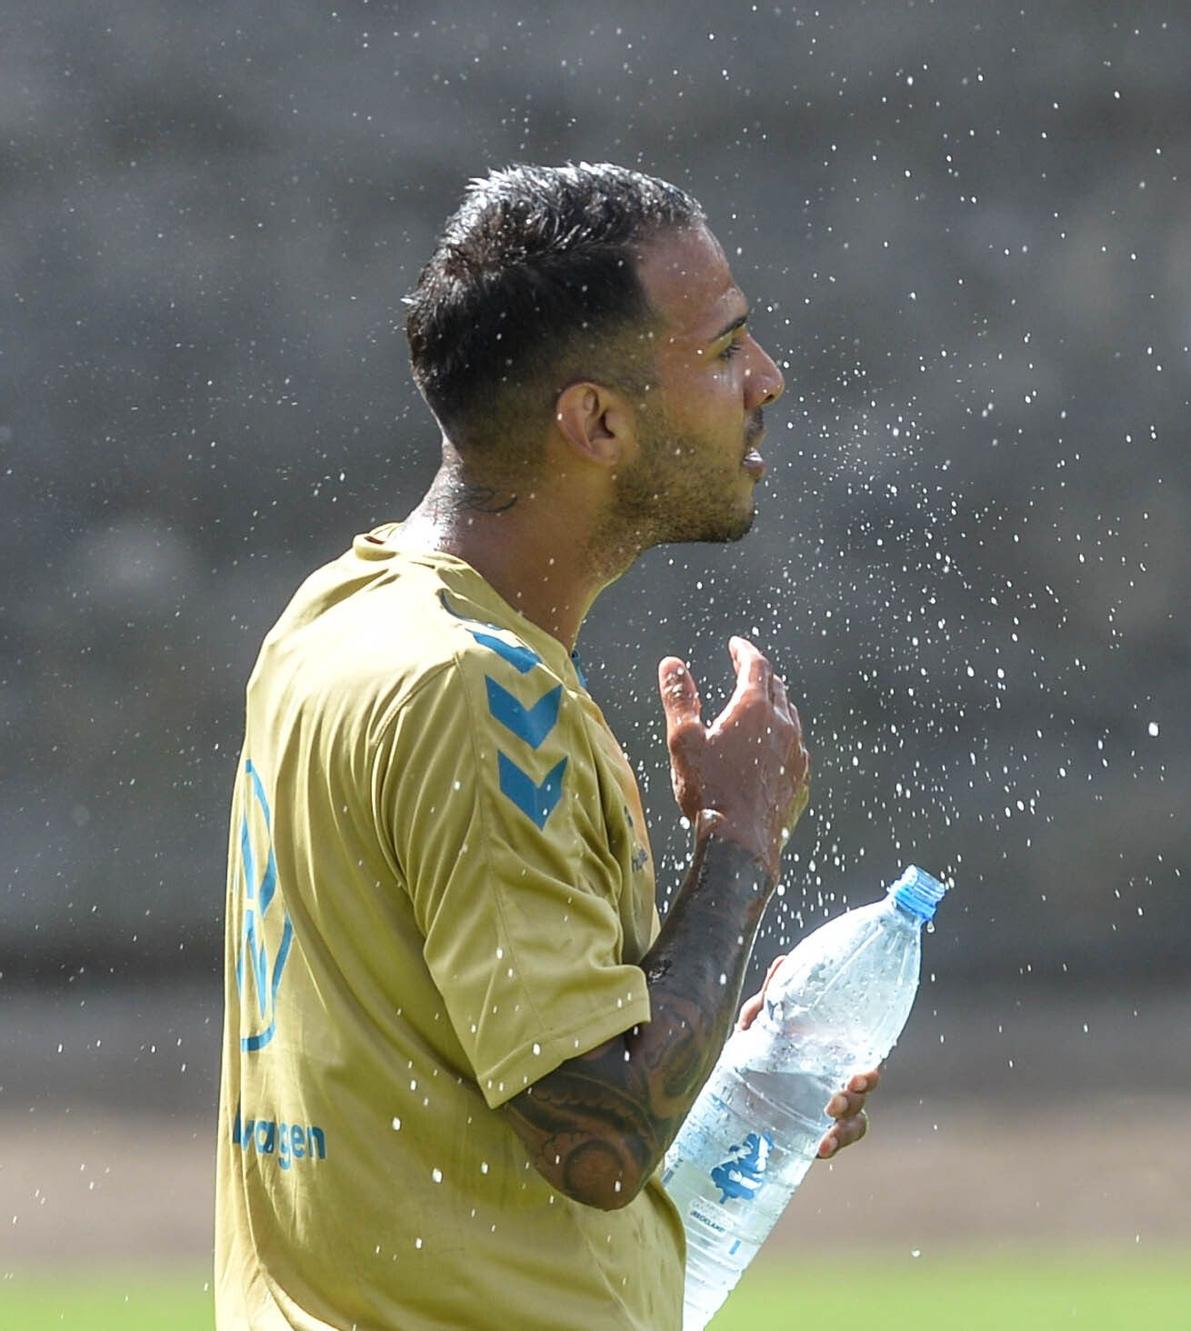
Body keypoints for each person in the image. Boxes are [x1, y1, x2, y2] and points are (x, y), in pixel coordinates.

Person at [215, 162, 877, 1329]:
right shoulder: (479, 693)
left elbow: (451, 1079)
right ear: (599, 422)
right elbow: (594, 1134)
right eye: (724, 350)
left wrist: (734, 1083)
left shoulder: (335, 613)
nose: (766, 378)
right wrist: (737, 844)